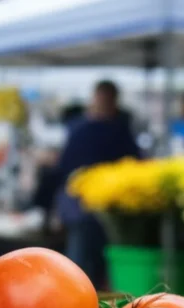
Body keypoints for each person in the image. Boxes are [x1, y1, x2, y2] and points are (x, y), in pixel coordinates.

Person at [56, 80, 140, 287]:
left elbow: (63, 168)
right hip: (87, 210)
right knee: (82, 267)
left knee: (87, 268)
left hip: (106, 210)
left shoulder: (117, 131)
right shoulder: (88, 130)